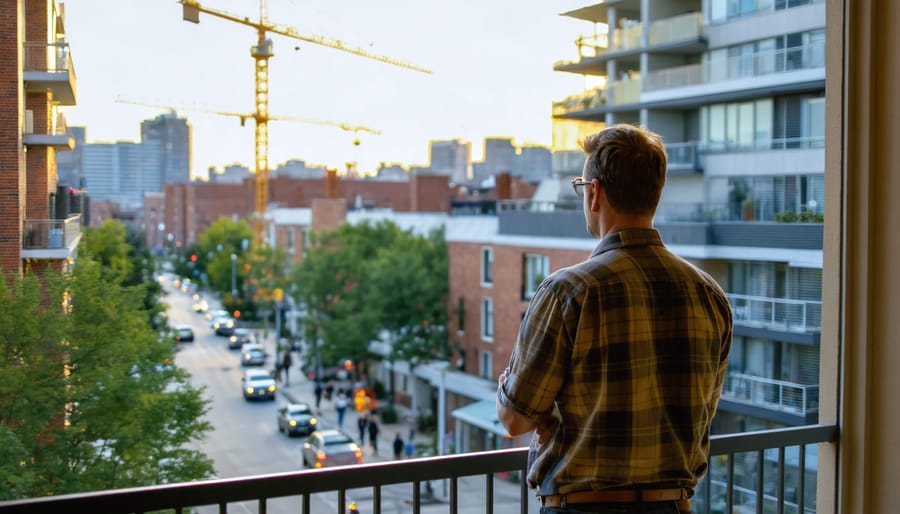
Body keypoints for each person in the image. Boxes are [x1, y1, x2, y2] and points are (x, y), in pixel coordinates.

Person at [496, 124, 733, 514]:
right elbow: (699, 415)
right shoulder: (709, 295)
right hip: (672, 506)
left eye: (581, 186)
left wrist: (518, 390)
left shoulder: (568, 291)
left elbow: (515, 419)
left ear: (595, 193)